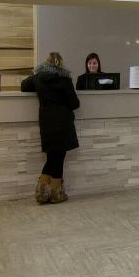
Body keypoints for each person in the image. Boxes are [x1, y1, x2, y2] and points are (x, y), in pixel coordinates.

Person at [21, 52, 80, 203]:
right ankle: (56, 194)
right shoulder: (64, 79)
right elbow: (75, 103)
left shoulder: (38, 78)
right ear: (61, 64)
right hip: (63, 122)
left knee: (52, 156)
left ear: (46, 63)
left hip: (46, 121)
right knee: (58, 157)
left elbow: (23, 86)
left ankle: (43, 192)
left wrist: (36, 78)